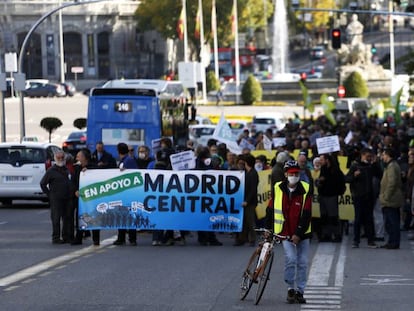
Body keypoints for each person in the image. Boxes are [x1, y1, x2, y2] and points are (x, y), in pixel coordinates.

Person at [266, 160, 312, 304]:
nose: (294, 176)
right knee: (291, 260)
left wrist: (298, 234)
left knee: (303, 262)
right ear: (286, 174)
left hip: (302, 233)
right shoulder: (277, 187)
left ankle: (300, 291)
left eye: (296, 173)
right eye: (291, 173)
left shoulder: (306, 188)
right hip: (285, 232)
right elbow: (270, 209)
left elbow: (307, 213)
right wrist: (269, 229)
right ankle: (290, 289)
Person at [345, 148, 382, 248]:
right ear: (362, 155)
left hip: (369, 196)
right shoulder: (355, 165)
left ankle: (371, 241)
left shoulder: (371, 166)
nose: (369, 158)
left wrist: (375, 164)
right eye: (367, 156)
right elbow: (347, 179)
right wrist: (354, 176)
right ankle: (356, 241)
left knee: (369, 219)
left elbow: (380, 175)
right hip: (358, 196)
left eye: (370, 156)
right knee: (358, 219)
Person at [40, 150, 74, 244]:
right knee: (56, 219)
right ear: (55, 159)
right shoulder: (51, 171)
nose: (60, 159)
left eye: (62, 158)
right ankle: (56, 237)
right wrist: (50, 195)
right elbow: (43, 184)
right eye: (58, 158)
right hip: (56, 199)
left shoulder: (67, 169)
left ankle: (66, 236)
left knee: (67, 218)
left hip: (67, 198)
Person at [70, 148, 100, 246]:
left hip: (92, 197)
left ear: (84, 158)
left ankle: (96, 239)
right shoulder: (77, 169)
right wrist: (75, 190)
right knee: (80, 216)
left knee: (94, 216)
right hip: (81, 198)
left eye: (79, 156)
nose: (77, 158)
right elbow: (73, 182)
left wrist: (89, 172)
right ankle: (78, 237)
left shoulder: (93, 168)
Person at [316, 153, 346, 242]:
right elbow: (320, 181)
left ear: (327, 160)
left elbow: (339, 182)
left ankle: (337, 234)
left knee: (333, 216)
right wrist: (319, 182)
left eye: (322, 160)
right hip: (323, 195)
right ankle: (326, 235)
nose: (320, 162)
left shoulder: (335, 170)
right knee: (324, 216)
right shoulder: (323, 169)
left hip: (331, 196)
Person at [113, 142, 138, 246]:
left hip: (127, 192)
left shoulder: (127, 161)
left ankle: (126, 238)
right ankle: (127, 238)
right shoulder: (128, 160)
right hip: (128, 192)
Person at [379, 148, 404, 249]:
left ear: (388, 155)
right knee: (391, 222)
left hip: (391, 199)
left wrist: (386, 196)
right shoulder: (390, 165)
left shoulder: (392, 166)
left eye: (383, 155)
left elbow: (392, 183)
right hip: (391, 198)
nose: (382, 157)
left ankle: (394, 242)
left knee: (392, 222)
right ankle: (391, 241)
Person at [234, 154, 259, 246]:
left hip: (250, 202)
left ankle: (252, 239)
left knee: (250, 221)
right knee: (243, 221)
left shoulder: (253, 174)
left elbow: (253, 190)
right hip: (245, 200)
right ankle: (242, 239)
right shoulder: (247, 172)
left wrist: (247, 201)